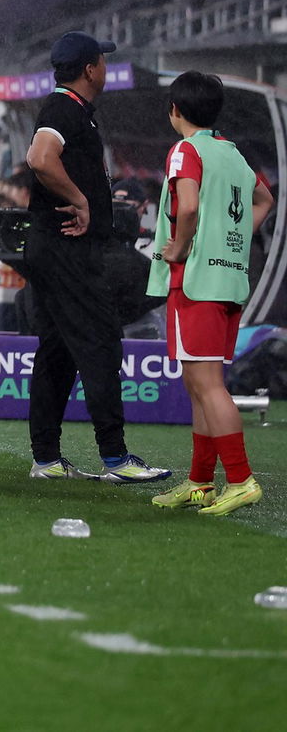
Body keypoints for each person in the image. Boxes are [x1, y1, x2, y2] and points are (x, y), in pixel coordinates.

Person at [24, 31, 169, 483]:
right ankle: (115, 456)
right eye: (101, 62)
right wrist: (81, 200)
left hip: (54, 247)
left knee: (57, 351)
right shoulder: (63, 108)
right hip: (69, 248)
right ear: (90, 69)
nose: (104, 68)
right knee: (102, 341)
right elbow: (40, 158)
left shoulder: (73, 111)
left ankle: (46, 458)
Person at [146, 71, 272, 515]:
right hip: (231, 281)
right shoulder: (233, 154)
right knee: (202, 386)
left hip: (196, 281)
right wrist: (230, 236)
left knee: (206, 386)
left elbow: (191, 204)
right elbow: (265, 200)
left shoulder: (186, 150)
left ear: (175, 111)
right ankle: (200, 481)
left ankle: (240, 479)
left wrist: (178, 247)